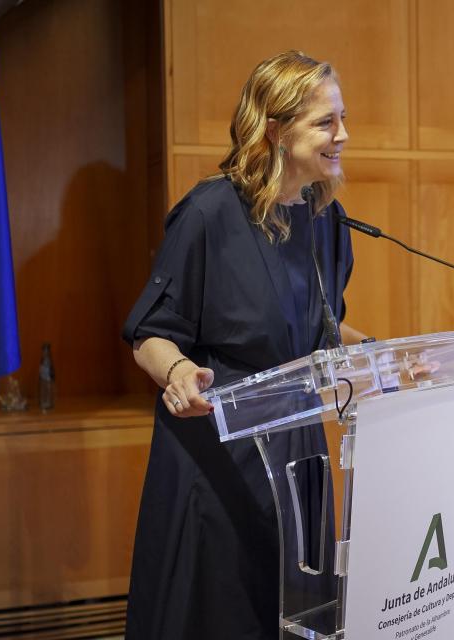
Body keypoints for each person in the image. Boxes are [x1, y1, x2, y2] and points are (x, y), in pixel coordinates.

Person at [122, 50, 365, 639]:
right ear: (276, 131)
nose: (343, 135)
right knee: (223, 613)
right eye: (326, 122)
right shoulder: (209, 213)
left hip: (298, 448)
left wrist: (387, 356)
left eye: (342, 119)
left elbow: (322, 331)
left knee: (294, 612)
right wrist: (179, 372)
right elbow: (152, 330)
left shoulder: (325, 219)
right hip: (219, 453)